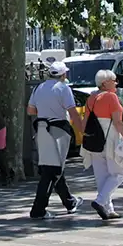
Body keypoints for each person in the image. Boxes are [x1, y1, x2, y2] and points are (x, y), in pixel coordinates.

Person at [27, 61, 84, 220]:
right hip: (58, 130)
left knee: (52, 167)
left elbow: (30, 110)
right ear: (63, 75)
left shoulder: (39, 88)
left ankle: (69, 202)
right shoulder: (63, 88)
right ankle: (38, 209)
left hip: (42, 129)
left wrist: (45, 110)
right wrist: (83, 132)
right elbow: (73, 113)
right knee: (52, 170)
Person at [80, 69, 123, 220]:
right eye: (113, 80)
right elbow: (117, 122)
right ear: (105, 83)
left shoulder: (91, 98)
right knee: (118, 173)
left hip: (94, 140)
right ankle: (100, 201)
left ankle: (108, 209)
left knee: (102, 176)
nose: (116, 82)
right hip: (111, 138)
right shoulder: (111, 97)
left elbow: (85, 122)